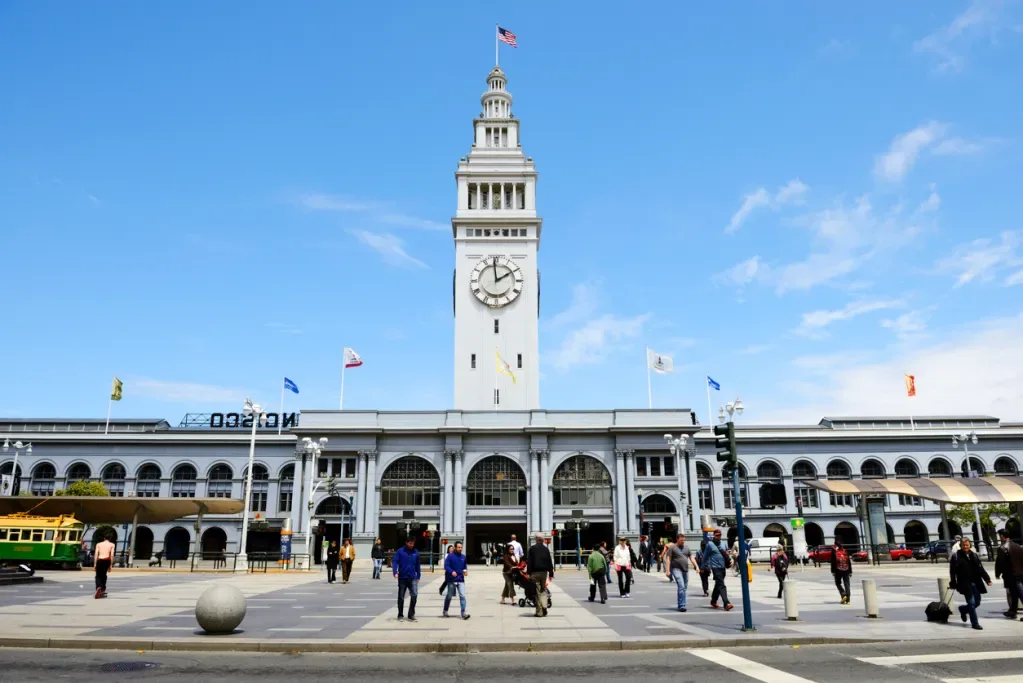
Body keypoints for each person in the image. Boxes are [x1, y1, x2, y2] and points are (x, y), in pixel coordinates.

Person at [950, 538, 991, 630]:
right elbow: (952, 572)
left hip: (976, 582)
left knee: (977, 602)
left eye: (967, 545)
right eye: (963, 545)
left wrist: (987, 579)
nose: (965, 547)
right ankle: (975, 623)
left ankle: (963, 610)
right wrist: (953, 582)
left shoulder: (974, 555)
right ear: (961, 546)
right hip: (965, 583)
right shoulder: (956, 556)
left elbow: (981, 569)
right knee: (971, 603)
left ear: (970, 545)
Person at [994, 529, 1023, 620]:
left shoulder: (1003, 547)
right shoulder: (1017, 546)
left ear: (1002, 536)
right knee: (1014, 593)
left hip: (1011, 574)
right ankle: (1012, 611)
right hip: (1020, 573)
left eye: (1000, 535)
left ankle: (1012, 611)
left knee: (1019, 593)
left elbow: (1000, 563)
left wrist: (997, 573)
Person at [701, 529, 733, 610]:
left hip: (723, 567)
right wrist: (702, 567)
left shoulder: (723, 544)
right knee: (722, 585)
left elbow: (726, 553)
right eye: (717, 535)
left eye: (720, 535)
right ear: (714, 536)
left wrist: (730, 560)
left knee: (718, 585)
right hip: (715, 568)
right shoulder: (710, 545)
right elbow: (705, 557)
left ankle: (713, 601)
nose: (718, 537)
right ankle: (726, 603)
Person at [664, 532, 697, 612]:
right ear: (677, 539)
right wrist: (667, 570)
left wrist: (696, 566)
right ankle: (682, 606)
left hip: (685, 570)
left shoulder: (686, 548)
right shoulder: (672, 548)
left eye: (684, 540)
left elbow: (691, 557)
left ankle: (681, 604)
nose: (683, 542)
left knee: (683, 588)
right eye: (681, 540)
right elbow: (668, 559)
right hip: (676, 569)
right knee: (682, 586)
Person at [392, 536, 421, 621]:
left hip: (412, 577)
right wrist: (395, 572)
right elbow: (395, 562)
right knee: (401, 596)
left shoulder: (416, 552)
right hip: (402, 577)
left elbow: (418, 565)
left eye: (413, 543)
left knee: (414, 595)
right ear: (406, 542)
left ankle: (411, 614)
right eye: (410, 543)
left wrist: (418, 575)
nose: (412, 545)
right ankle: (400, 614)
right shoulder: (400, 551)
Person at [526, 533, 554, 617]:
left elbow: (529, 562)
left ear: (536, 539)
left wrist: (528, 573)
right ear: (543, 540)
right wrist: (551, 573)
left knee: (537, 592)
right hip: (544, 573)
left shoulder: (532, 549)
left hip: (535, 573)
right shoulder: (546, 549)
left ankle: (539, 612)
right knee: (542, 589)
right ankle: (544, 605)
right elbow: (549, 561)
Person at [442, 541, 471, 620]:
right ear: (455, 547)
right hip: (451, 579)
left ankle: (463, 613)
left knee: (462, 596)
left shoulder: (463, 557)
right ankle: (445, 610)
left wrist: (465, 571)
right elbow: (446, 566)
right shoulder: (450, 556)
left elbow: (464, 566)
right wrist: (452, 572)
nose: (460, 549)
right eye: (458, 547)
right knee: (449, 596)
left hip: (460, 579)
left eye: (461, 547)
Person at [94, 533, 116, 599]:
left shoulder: (99, 544)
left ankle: (98, 587)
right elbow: (111, 555)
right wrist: (110, 564)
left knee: (98, 575)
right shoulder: (112, 545)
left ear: (104, 538)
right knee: (104, 575)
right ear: (110, 539)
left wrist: (95, 563)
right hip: (107, 560)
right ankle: (102, 590)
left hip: (100, 559)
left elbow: (96, 554)